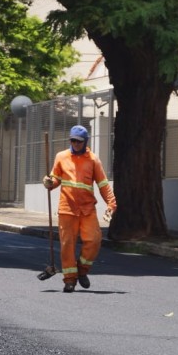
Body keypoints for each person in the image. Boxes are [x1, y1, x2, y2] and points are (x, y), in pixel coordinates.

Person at [43, 125, 117, 293]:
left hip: (87, 208)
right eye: (73, 141)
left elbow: (103, 185)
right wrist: (49, 182)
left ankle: (82, 270)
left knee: (94, 240)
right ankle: (69, 280)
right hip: (67, 208)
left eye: (79, 141)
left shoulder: (93, 160)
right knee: (67, 245)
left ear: (85, 142)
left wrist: (111, 204)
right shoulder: (61, 157)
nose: (75, 144)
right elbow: (55, 179)